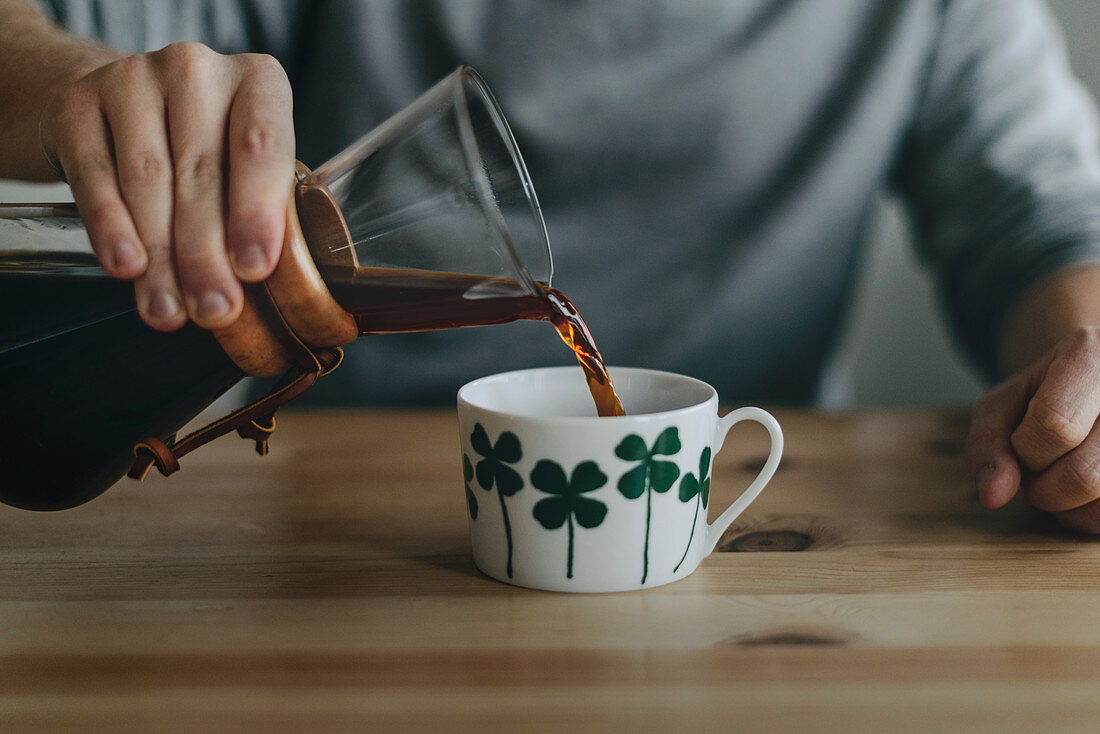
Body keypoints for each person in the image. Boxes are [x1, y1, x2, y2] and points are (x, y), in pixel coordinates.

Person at [2, 0, 1100, 533]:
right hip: (313, 539)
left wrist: (1082, 386)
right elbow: (46, 31)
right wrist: (77, 86)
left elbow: (1047, 222)